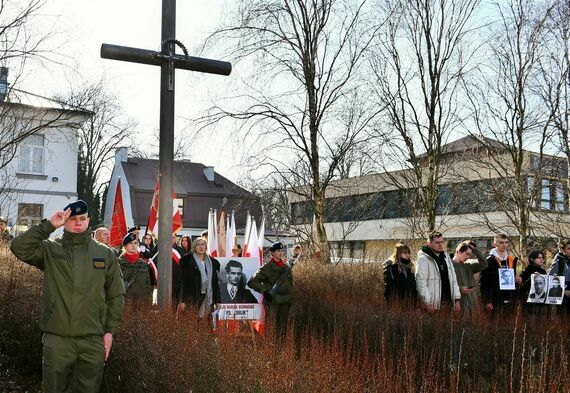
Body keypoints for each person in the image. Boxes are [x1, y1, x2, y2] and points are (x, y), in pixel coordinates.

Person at [9, 200, 125, 393]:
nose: (78, 223)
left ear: (88, 221)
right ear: (64, 221)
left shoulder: (105, 254)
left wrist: (109, 331)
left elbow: (116, 295)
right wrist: (49, 225)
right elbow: (19, 247)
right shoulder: (51, 249)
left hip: (92, 340)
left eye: (82, 219)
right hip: (58, 340)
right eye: (72, 219)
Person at [248, 242, 293, 335]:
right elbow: (252, 282)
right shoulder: (266, 268)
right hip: (273, 302)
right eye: (277, 251)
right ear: (272, 253)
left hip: (285, 302)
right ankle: (271, 349)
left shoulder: (286, 268)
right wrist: (264, 292)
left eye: (281, 251)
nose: (280, 253)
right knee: (272, 329)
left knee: (283, 330)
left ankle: (282, 349)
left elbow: (290, 284)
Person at [415, 231, 461, 312]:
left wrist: (457, 299)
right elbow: (421, 283)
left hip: (449, 303)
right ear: (429, 244)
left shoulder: (446, 257)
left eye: (441, 242)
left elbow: (453, 279)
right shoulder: (423, 259)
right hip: (433, 305)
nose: (440, 245)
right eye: (437, 242)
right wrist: (428, 302)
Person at [178, 237, 220, 319]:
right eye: (198, 245)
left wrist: (218, 301)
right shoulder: (187, 261)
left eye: (203, 244)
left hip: (208, 297)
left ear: (206, 247)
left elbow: (215, 283)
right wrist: (182, 300)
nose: (201, 247)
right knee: (192, 324)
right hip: (192, 299)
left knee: (205, 325)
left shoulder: (212, 262)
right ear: (194, 247)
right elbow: (183, 282)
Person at [480, 234, 521, 314]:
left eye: (506, 242)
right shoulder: (489, 261)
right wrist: (487, 301)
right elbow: (483, 283)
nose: (504, 245)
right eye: (501, 242)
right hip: (495, 298)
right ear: (495, 244)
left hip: (510, 298)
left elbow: (517, 276)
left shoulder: (512, 260)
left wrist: (518, 279)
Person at [451, 241, 487, 316]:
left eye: (470, 255)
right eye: (467, 254)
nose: (468, 257)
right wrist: (460, 289)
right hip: (458, 302)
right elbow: (446, 285)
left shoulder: (468, 266)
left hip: (472, 301)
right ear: (458, 252)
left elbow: (484, 264)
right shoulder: (449, 267)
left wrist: (475, 250)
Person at [118, 232, 156, 303]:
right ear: (125, 246)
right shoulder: (118, 263)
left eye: (135, 243)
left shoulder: (143, 264)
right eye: (130, 243)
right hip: (125, 302)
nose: (133, 245)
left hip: (141, 303)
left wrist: (148, 303)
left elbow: (148, 285)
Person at [548, 238, 570, 314]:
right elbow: (551, 278)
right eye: (569, 248)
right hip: (563, 296)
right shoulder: (559, 262)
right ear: (563, 250)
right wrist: (564, 290)